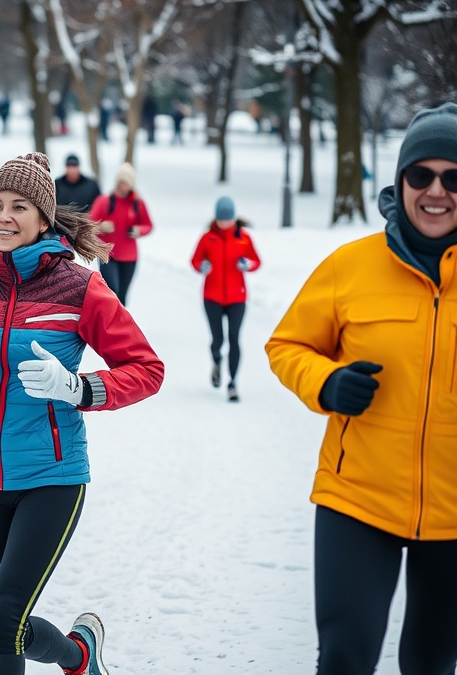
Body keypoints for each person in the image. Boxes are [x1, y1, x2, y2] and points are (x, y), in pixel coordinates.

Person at [0, 151, 164, 675]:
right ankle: (79, 656)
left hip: (52, 475)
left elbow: (145, 368)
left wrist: (77, 387)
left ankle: (78, 655)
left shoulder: (80, 287)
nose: (3, 216)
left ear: (44, 219)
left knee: (2, 624)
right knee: (4, 628)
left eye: (19, 206)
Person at [265, 102, 457, 675]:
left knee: (431, 662)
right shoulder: (351, 266)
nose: (436, 191)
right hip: (357, 501)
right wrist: (327, 383)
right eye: (420, 175)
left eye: (453, 178)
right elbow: (286, 346)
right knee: (346, 659)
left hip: (454, 513)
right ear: (399, 183)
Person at [189, 196, 260, 402]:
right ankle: (217, 361)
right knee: (218, 339)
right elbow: (195, 260)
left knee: (235, 339)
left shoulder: (243, 238)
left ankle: (232, 383)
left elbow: (256, 260)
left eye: (228, 219)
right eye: (221, 219)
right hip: (212, 297)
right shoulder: (207, 238)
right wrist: (202, 267)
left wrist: (248, 264)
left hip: (237, 297)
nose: (225, 223)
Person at [88, 163, 153, 305]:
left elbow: (148, 225)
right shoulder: (105, 201)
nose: (122, 186)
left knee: (122, 297)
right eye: (120, 182)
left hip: (130, 257)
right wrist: (100, 227)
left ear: (131, 185)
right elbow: (88, 225)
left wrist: (138, 231)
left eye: (125, 183)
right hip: (108, 255)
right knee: (112, 292)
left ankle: (119, 325)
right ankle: (108, 322)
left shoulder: (137, 203)